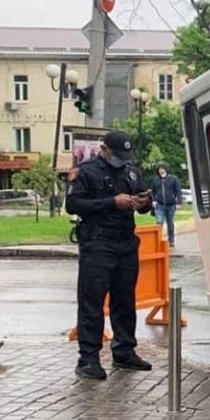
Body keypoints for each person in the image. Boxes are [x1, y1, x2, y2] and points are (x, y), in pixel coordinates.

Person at [66, 131, 154, 380]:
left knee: (125, 300)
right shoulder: (86, 171)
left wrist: (144, 201)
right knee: (92, 303)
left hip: (126, 243)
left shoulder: (130, 170)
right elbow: (73, 205)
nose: (122, 160)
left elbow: (146, 204)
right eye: (117, 155)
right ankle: (88, 359)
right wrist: (112, 203)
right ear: (104, 150)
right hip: (98, 243)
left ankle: (124, 351)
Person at [152, 163, 183, 248]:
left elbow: (178, 191)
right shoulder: (156, 180)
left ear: (166, 169)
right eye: (159, 169)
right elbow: (153, 192)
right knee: (159, 222)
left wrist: (178, 203)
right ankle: (158, 240)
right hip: (160, 205)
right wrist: (154, 200)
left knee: (170, 223)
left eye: (162, 169)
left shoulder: (173, 179)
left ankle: (171, 240)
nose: (161, 170)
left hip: (170, 205)